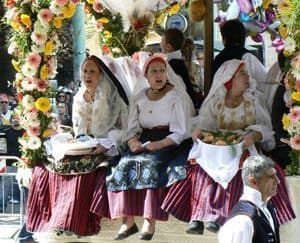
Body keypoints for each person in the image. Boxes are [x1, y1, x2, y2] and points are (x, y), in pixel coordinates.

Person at [162, 59, 295, 234]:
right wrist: (199, 131)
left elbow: (266, 127)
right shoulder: (216, 101)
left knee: (242, 167)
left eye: (247, 73)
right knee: (198, 166)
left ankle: (222, 216)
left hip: (244, 147)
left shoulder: (254, 99)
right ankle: (198, 216)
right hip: (216, 148)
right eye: (242, 74)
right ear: (229, 79)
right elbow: (205, 124)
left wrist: (253, 135)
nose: (248, 77)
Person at [25, 55, 129, 241]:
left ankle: (78, 224)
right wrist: (76, 141)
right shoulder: (80, 96)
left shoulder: (113, 97)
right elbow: (79, 130)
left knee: (86, 173)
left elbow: (124, 130)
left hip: (106, 147)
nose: (87, 75)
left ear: (101, 75)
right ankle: (56, 222)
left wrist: (104, 144)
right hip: (85, 146)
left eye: (92, 72)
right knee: (51, 167)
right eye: (85, 71)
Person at [106, 54, 193, 241]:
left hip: (168, 141)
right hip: (144, 139)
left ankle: (149, 220)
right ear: (146, 75)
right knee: (124, 163)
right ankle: (127, 221)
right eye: (153, 71)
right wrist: (133, 142)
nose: (158, 74)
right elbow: (132, 128)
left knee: (151, 163)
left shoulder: (175, 96)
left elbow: (180, 132)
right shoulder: (140, 98)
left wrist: (159, 144)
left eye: (162, 70)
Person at [218, 155, 280, 243]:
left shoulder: (269, 210)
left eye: (275, 175)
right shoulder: (241, 221)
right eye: (271, 177)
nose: (278, 181)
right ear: (253, 181)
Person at [212, 19, 267, 93]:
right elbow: (265, 83)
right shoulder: (248, 57)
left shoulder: (218, 58)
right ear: (243, 37)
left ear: (224, 38)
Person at [160, 28, 199, 108]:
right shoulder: (178, 61)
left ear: (168, 46)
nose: (160, 43)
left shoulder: (173, 65)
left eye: (162, 41)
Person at [0, 113, 24, 211]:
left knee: (24, 186)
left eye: (17, 118)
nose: (15, 120)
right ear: (11, 120)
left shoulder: (26, 133)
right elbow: (2, 148)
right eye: (14, 118)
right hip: (9, 163)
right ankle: (1, 207)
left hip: (23, 163)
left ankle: (27, 209)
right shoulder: (6, 132)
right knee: (5, 186)